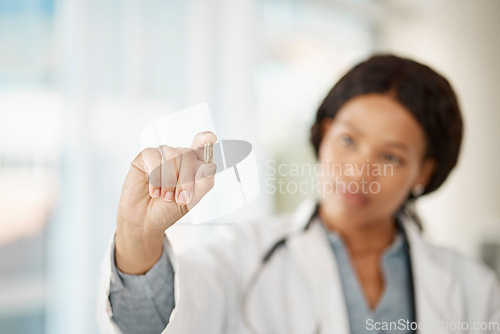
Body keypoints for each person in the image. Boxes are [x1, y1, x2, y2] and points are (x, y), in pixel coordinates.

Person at [98, 55, 500, 334]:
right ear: (324, 134)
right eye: (348, 140)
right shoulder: (245, 254)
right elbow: (149, 324)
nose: (359, 171)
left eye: (391, 156)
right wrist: (138, 234)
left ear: (425, 171)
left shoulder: (473, 288)